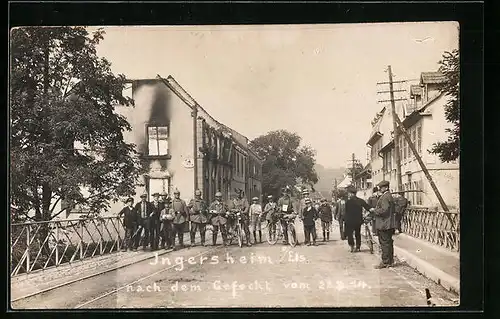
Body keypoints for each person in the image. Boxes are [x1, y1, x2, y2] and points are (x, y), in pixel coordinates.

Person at [371, 180, 397, 269]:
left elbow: (384, 210)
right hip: (388, 223)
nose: (380, 189)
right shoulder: (388, 196)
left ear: (386, 187)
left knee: (384, 243)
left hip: (384, 224)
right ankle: (390, 261)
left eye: (381, 187)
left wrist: (374, 210)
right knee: (389, 242)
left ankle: (385, 262)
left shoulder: (385, 197)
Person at [344, 185, 373, 253]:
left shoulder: (348, 202)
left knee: (350, 234)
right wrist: (371, 211)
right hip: (358, 221)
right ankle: (358, 247)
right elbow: (367, 207)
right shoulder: (360, 201)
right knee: (357, 233)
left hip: (350, 221)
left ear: (351, 193)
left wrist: (345, 220)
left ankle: (352, 246)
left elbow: (346, 212)